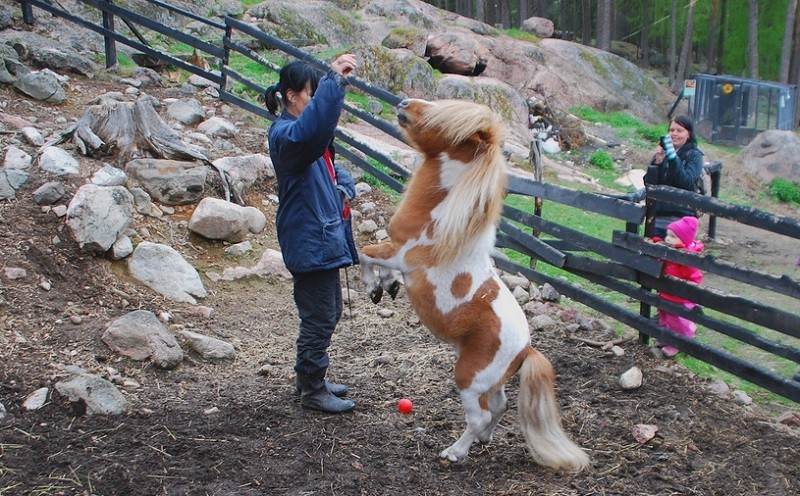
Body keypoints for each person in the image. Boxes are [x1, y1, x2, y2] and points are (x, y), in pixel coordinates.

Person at [264, 54, 359, 413]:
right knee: (318, 316)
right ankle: (312, 388)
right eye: (311, 94)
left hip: (321, 238)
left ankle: (310, 377)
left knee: (329, 311)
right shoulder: (287, 135)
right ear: (291, 96)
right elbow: (317, 131)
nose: (315, 100)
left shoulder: (305, 139)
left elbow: (333, 169)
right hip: (309, 239)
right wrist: (335, 81)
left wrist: (343, 188)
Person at [644, 115, 705, 238]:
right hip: (657, 217)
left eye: (679, 130)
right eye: (671, 130)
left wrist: (673, 158)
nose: (674, 134)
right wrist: (658, 162)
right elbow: (648, 183)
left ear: (689, 134)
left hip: (681, 220)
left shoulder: (694, 155)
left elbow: (686, 182)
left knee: (673, 256)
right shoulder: (663, 153)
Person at [652, 216, 704, 357]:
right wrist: (658, 247)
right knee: (665, 317)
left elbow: (689, 271)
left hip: (681, 296)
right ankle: (666, 339)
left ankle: (680, 343)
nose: (668, 239)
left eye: (673, 236)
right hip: (667, 292)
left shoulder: (689, 256)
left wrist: (680, 254)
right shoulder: (670, 250)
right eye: (667, 235)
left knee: (679, 322)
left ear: (685, 240)